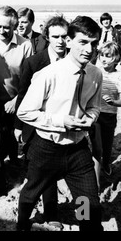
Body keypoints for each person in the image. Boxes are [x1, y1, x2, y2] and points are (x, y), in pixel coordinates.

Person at [16, 15, 103, 231]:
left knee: (87, 204)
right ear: (70, 41)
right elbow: (24, 112)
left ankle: (85, 226)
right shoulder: (48, 74)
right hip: (46, 148)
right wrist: (61, 121)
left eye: (94, 43)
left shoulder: (95, 74)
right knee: (30, 195)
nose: (89, 49)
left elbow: (95, 106)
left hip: (78, 151)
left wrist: (89, 119)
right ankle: (21, 224)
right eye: (83, 42)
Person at [13, 14, 70, 228]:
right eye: (56, 36)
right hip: (36, 125)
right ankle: (24, 220)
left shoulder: (74, 61)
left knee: (53, 173)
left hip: (64, 125)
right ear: (47, 37)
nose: (61, 41)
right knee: (37, 175)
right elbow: (22, 94)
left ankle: (52, 213)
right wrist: (18, 126)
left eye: (65, 36)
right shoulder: (34, 62)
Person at [0, 5, 33, 197]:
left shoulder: (26, 45)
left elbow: (30, 78)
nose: (1, 31)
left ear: (15, 26)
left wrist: (17, 100)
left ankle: (13, 159)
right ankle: (0, 183)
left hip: (16, 101)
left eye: (6, 28)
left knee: (11, 137)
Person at [94, 42, 121, 176]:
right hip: (95, 113)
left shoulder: (120, 76)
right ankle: (95, 167)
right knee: (96, 145)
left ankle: (106, 163)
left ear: (116, 58)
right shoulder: (96, 72)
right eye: (102, 55)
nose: (103, 58)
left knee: (107, 144)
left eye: (108, 56)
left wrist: (113, 102)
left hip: (109, 116)